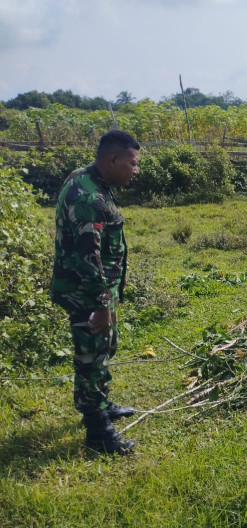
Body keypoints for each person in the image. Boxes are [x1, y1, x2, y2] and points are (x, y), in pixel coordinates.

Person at [51, 130, 141, 454]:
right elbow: (89, 259)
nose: (136, 170)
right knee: (90, 356)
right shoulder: (88, 197)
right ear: (113, 159)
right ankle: (98, 432)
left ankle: (100, 403)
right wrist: (103, 304)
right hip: (86, 292)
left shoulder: (89, 179)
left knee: (101, 350)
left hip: (96, 289)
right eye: (133, 163)